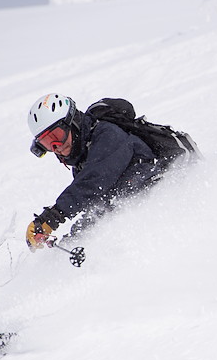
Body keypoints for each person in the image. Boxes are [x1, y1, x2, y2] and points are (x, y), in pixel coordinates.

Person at [25, 93, 165, 252]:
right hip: (134, 211)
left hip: (160, 199)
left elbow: (93, 182)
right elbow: (97, 207)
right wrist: (71, 242)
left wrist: (52, 217)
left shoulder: (108, 135)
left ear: (72, 122)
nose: (56, 146)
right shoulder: (83, 161)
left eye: (56, 136)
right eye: (48, 143)